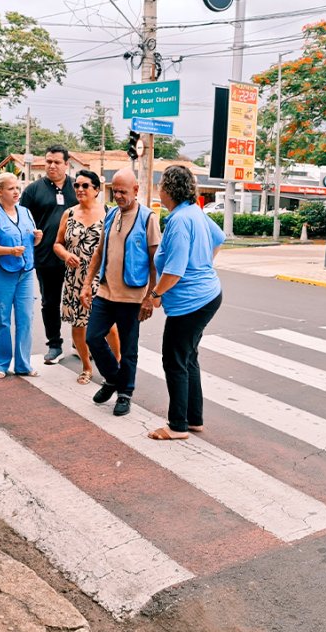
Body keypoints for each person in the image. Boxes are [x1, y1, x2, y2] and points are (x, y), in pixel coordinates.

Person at [148, 165, 225, 441]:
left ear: (169, 189)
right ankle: (194, 419)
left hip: (191, 302)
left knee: (174, 360)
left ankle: (177, 425)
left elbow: (175, 269)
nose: (159, 190)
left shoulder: (179, 220)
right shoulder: (194, 212)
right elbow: (220, 239)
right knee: (188, 356)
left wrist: (155, 295)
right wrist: (202, 265)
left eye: (160, 186)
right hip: (207, 294)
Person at [82, 168, 161, 417]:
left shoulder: (148, 218)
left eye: (123, 191)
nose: (117, 196)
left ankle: (125, 393)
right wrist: (87, 284)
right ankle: (113, 379)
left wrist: (151, 296)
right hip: (106, 292)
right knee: (93, 337)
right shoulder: (112, 214)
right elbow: (99, 252)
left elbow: (154, 261)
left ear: (136, 190)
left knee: (129, 349)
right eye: (114, 191)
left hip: (132, 296)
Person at [52, 170, 117, 384]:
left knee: (108, 326)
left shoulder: (110, 213)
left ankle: (116, 366)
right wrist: (66, 254)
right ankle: (87, 367)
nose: (80, 189)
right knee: (78, 324)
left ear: (96, 190)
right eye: (77, 186)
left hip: (101, 277)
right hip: (74, 278)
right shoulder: (69, 214)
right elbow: (57, 243)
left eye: (85, 186)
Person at [0, 172, 42, 378]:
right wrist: (9, 251)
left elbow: (30, 242)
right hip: (1, 271)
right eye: (11, 188)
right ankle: (0, 364)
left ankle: (23, 364)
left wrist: (37, 238)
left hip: (24, 272)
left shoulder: (25, 212)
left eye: (17, 188)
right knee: (2, 319)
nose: (16, 192)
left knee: (25, 318)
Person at [20, 145, 77, 365]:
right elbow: (23, 221)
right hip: (45, 257)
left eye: (56, 162)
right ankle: (54, 345)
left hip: (75, 257)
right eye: (48, 161)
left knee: (77, 301)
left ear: (66, 164)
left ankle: (79, 342)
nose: (51, 166)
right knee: (50, 302)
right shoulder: (33, 190)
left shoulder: (78, 187)